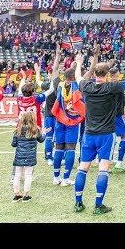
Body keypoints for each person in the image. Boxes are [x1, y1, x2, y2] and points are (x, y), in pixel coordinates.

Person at [74, 51, 125, 214]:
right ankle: (98, 205)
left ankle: (78, 202)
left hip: (89, 133)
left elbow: (78, 77)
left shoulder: (87, 86)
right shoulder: (112, 87)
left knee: (83, 167)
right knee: (103, 168)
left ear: (94, 74)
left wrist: (78, 63)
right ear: (107, 75)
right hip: (105, 135)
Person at [51, 48, 86, 187]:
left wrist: (72, 63)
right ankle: (66, 178)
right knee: (70, 148)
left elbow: (57, 72)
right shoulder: (77, 85)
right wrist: (78, 63)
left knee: (59, 148)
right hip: (72, 121)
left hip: (60, 119)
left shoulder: (59, 85)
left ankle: (56, 177)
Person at [12, 111, 46, 201]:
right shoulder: (35, 130)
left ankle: (16, 194)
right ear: (33, 119)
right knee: (28, 175)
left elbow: (13, 144)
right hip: (30, 157)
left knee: (17, 175)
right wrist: (45, 133)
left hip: (19, 156)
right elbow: (41, 140)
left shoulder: (18, 130)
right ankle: (26, 195)